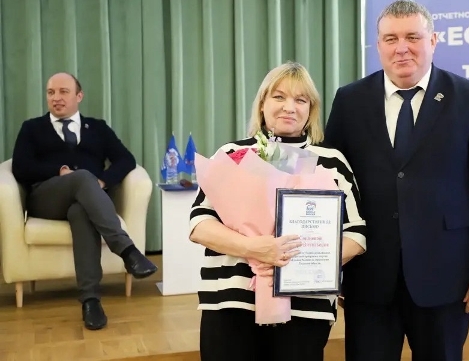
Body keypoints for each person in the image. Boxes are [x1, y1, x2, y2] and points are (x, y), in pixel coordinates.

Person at [324, 0, 469, 360]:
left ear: (433, 40)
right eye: (391, 38)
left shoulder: (468, 97)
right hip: (368, 278)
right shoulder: (350, 100)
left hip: (447, 278)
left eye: (412, 37)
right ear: (378, 45)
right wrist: (327, 268)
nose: (402, 48)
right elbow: (330, 185)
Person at [189, 61, 367, 361]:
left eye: (301, 100)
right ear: (262, 104)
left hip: (305, 304)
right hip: (233, 299)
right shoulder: (234, 154)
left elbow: (356, 235)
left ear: (311, 110)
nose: (289, 107)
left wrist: (298, 264)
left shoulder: (331, 162)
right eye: (279, 97)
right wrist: (253, 248)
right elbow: (200, 224)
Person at [11, 72, 158, 330]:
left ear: (79, 96)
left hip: (88, 200)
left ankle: (91, 301)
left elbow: (126, 160)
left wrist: (101, 182)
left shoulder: (98, 128)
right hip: (47, 198)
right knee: (81, 178)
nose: (56, 98)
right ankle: (127, 251)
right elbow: (20, 168)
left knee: (81, 211)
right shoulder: (32, 128)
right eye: (51, 92)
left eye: (63, 92)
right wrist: (58, 172)